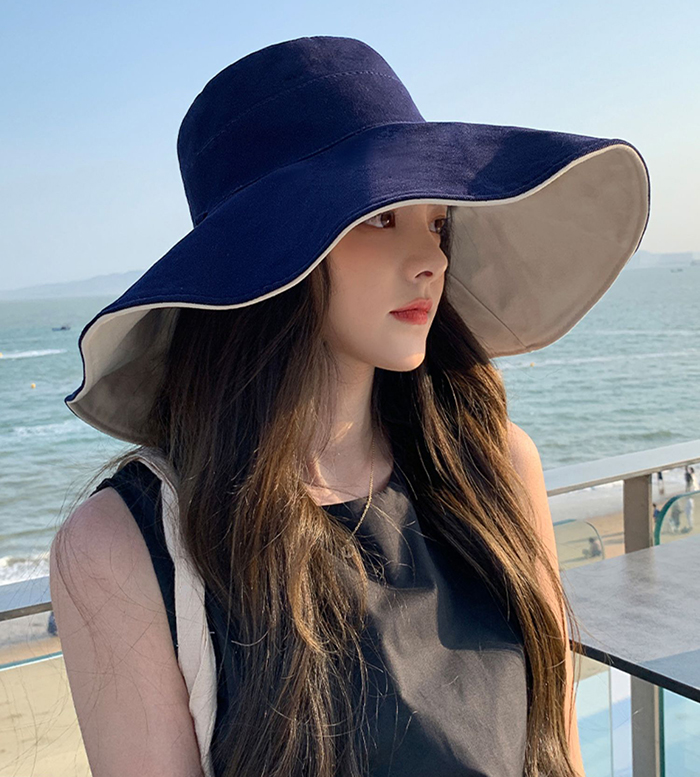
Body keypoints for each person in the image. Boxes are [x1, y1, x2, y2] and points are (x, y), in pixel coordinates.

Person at [49, 36, 649, 777]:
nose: (432, 258)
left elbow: (557, 755)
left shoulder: (492, 468)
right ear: (268, 252)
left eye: (437, 221)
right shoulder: (129, 545)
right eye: (380, 217)